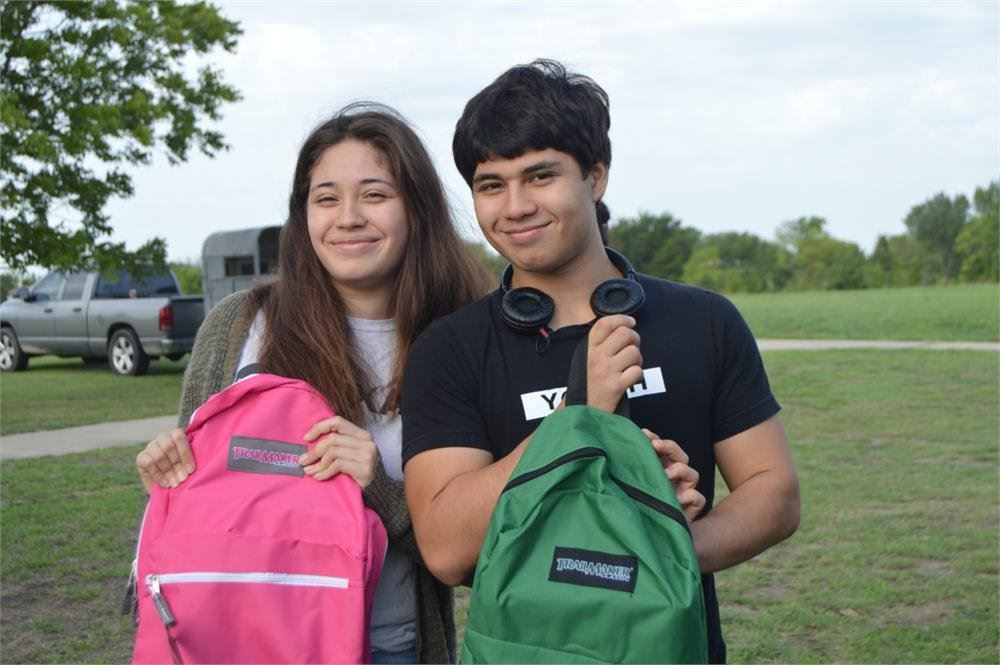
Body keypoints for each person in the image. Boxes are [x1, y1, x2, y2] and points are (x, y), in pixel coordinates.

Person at [401, 60, 800, 663]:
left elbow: (775, 494)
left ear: (596, 176)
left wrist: (661, 540)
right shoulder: (450, 348)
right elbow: (448, 550)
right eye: (491, 184)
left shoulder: (704, 321)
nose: (514, 206)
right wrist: (576, 416)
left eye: (540, 176)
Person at [134, 102, 492, 664]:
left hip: (387, 646)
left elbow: (473, 554)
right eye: (325, 198)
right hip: (239, 640)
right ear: (302, 215)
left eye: (375, 195)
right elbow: (199, 501)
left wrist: (377, 486)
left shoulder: (462, 338)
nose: (347, 217)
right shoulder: (241, 325)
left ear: (417, 209)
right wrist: (168, 466)